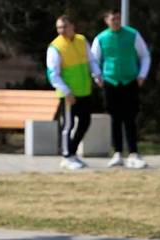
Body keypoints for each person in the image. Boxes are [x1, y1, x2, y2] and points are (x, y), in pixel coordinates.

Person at [91, 9, 151, 169]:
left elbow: (145, 55)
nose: (116, 22)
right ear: (106, 20)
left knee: (130, 118)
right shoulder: (101, 38)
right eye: (113, 19)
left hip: (130, 81)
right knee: (115, 118)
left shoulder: (132, 34)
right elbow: (93, 59)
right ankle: (117, 153)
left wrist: (142, 75)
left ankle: (133, 153)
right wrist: (97, 76)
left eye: (118, 19)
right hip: (111, 82)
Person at [47, 15, 102, 170]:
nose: (61, 30)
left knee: (85, 122)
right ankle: (66, 156)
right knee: (68, 125)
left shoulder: (81, 40)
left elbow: (91, 61)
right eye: (59, 27)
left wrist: (97, 75)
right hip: (69, 94)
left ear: (72, 26)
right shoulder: (55, 47)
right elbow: (53, 74)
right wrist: (66, 91)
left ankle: (73, 152)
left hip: (84, 90)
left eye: (64, 27)